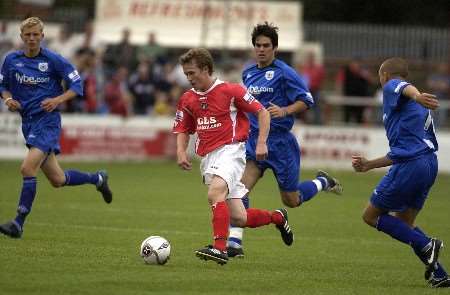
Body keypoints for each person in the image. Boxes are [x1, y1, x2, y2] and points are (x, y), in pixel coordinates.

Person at [227, 22, 343, 258]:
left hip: (280, 144)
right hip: (255, 141)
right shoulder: (248, 73)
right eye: (258, 45)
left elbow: (307, 99)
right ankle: (234, 244)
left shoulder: (285, 72)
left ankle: (322, 181)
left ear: (275, 48)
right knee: (238, 191)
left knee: (292, 200)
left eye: (266, 45)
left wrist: (286, 110)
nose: (261, 49)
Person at [173, 48, 294, 265]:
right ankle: (278, 217)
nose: (189, 78)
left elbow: (262, 112)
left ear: (206, 69)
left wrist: (261, 142)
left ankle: (220, 249)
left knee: (215, 193)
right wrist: (181, 151)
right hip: (208, 158)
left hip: (232, 151)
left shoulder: (231, 90)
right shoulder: (187, 99)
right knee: (240, 217)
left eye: (192, 73)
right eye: (186, 74)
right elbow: (183, 128)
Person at [0, 17, 112, 239]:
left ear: (42, 36)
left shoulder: (53, 60)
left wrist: (57, 100)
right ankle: (97, 179)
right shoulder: (11, 60)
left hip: (48, 122)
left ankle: (18, 223)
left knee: (27, 168)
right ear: (21, 37)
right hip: (28, 122)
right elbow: (2, 85)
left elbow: (76, 85)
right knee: (57, 180)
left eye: (36, 35)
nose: (32, 38)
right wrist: (8, 99)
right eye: (27, 35)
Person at [352, 57, 449, 288]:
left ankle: (427, 244)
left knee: (370, 216)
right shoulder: (411, 106)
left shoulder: (393, 87)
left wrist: (416, 94)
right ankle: (439, 273)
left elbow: (402, 86)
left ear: (384, 75)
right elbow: (401, 152)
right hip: (427, 165)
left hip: (411, 167)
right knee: (405, 223)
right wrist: (368, 165)